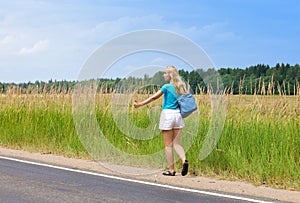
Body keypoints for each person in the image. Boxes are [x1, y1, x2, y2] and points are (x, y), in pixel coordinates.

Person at [134, 65, 189, 176]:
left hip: (168, 115)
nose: (164, 75)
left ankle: (172, 170)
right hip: (178, 115)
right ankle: (184, 160)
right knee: (177, 144)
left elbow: (154, 97)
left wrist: (140, 104)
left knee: (168, 145)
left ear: (169, 75)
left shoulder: (167, 87)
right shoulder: (181, 87)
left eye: (165, 73)